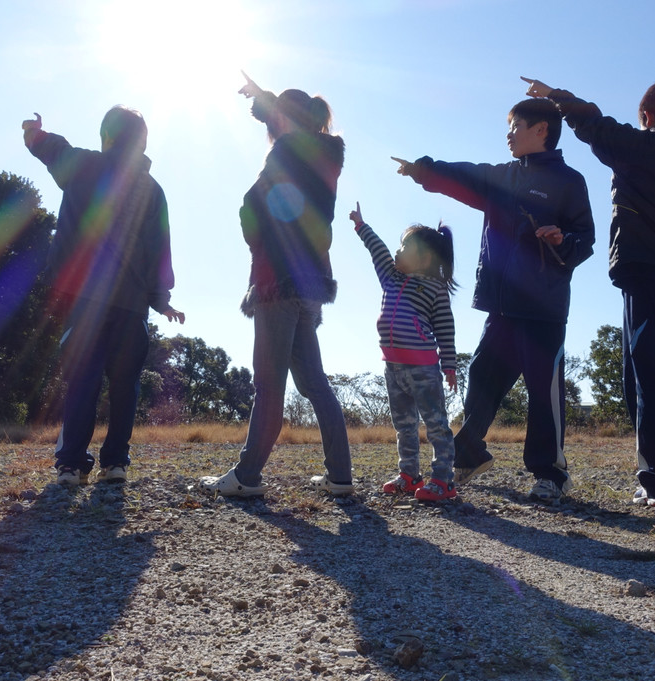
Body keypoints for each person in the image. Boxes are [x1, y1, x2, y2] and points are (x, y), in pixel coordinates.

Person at [523, 77, 655, 508]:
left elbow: (593, 124)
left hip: (648, 278)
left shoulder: (641, 147)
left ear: (647, 117)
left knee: (648, 381)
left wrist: (557, 97)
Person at [395, 97, 594, 504]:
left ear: (542, 130)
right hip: (500, 306)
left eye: (515, 126)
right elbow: (464, 176)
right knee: (481, 379)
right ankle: (469, 453)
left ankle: (551, 475)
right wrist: (424, 171)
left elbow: (585, 239)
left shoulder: (570, 181)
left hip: (543, 307)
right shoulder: (502, 177)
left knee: (544, 394)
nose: (508, 134)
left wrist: (563, 240)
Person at [200, 74, 352, 497]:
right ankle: (340, 476)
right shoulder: (327, 157)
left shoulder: (286, 151)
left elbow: (252, 204)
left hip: (276, 278)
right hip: (310, 282)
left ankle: (247, 477)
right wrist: (264, 98)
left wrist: (254, 241)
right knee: (314, 383)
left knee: (269, 383)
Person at [22, 107, 184, 486]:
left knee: (83, 379)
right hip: (132, 307)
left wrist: (34, 134)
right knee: (125, 383)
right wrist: (162, 299)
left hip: (85, 299)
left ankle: (71, 466)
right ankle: (116, 464)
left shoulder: (85, 166)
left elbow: (52, 149)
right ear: (142, 143)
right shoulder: (153, 189)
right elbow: (159, 249)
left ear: (107, 137)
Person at [349, 202, 459, 501]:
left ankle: (443, 480)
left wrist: (449, 365)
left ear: (424, 257)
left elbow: (445, 330)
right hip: (393, 368)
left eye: (404, 247)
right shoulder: (391, 278)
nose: (397, 252)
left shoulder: (434, 289)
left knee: (435, 423)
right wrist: (362, 226)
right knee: (404, 425)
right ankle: (409, 475)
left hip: (423, 369)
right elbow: (379, 251)